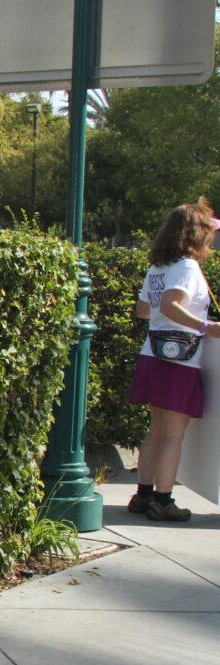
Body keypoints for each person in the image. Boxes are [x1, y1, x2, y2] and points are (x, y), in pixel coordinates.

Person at [127, 200, 220, 522]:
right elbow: (170, 304)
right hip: (181, 359)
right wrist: (205, 326)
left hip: (153, 353)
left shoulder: (159, 267)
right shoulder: (187, 267)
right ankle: (163, 502)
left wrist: (167, 318)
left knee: (156, 430)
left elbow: (144, 309)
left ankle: (144, 494)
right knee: (172, 435)